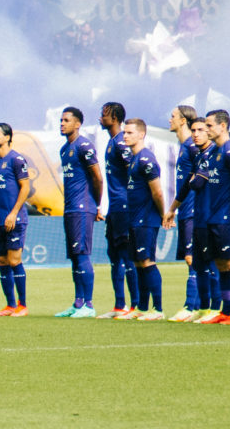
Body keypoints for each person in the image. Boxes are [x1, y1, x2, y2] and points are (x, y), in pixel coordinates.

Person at [182, 110, 230, 324]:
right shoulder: (213, 153)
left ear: (223, 126)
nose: (207, 129)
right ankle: (226, 310)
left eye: (210, 125)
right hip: (212, 217)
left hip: (227, 217)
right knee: (221, 264)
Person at [54, 106, 103, 319]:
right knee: (74, 256)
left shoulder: (84, 146)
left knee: (82, 254)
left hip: (83, 208)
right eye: (61, 120)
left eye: (66, 120)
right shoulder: (65, 150)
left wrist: (96, 204)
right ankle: (78, 302)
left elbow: (97, 177)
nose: (62, 124)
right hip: (70, 208)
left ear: (77, 124)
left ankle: (89, 305)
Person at [98, 102, 143, 319]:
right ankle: (119, 305)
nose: (100, 118)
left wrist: (133, 202)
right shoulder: (111, 142)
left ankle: (134, 306)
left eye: (104, 115)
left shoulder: (121, 144)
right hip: (114, 207)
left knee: (126, 256)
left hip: (124, 206)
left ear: (114, 118)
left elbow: (133, 171)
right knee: (114, 255)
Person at [0, 122, 32, 318]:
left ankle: (23, 305)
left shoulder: (17, 160)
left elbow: (25, 188)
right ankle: (10, 305)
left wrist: (13, 213)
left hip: (15, 219)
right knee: (2, 261)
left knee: (14, 260)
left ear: (7, 137)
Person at [121, 118, 167, 320]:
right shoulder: (133, 159)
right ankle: (141, 307)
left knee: (147, 261)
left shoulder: (146, 159)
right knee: (139, 262)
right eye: (124, 132)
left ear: (141, 134)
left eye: (130, 132)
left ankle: (157, 309)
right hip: (134, 218)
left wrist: (164, 213)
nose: (125, 136)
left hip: (146, 218)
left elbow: (157, 192)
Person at [164, 105, 207, 321]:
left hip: (193, 210)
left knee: (193, 258)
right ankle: (197, 305)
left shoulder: (192, 146)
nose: (169, 119)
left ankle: (192, 306)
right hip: (185, 210)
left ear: (183, 121)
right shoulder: (184, 146)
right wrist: (173, 208)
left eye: (173, 116)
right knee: (192, 258)